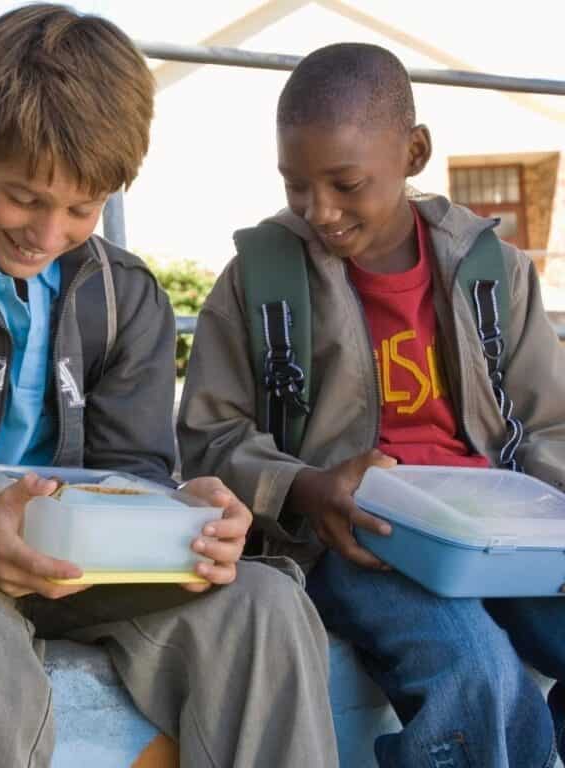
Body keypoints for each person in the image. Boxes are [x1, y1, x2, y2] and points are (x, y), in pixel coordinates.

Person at [0, 5, 337, 767]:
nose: (48, 233)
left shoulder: (130, 300)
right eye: (24, 196)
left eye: (82, 208)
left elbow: (138, 479)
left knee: (265, 600)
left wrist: (186, 519)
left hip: (82, 574)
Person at [179, 41, 565, 767]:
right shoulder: (261, 280)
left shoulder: (495, 272)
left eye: (346, 184)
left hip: (494, 536)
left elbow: (549, 426)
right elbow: (207, 438)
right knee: (474, 670)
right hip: (354, 541)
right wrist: (306, 487)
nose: (319, 210)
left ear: (413, 151)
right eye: (296, 185)